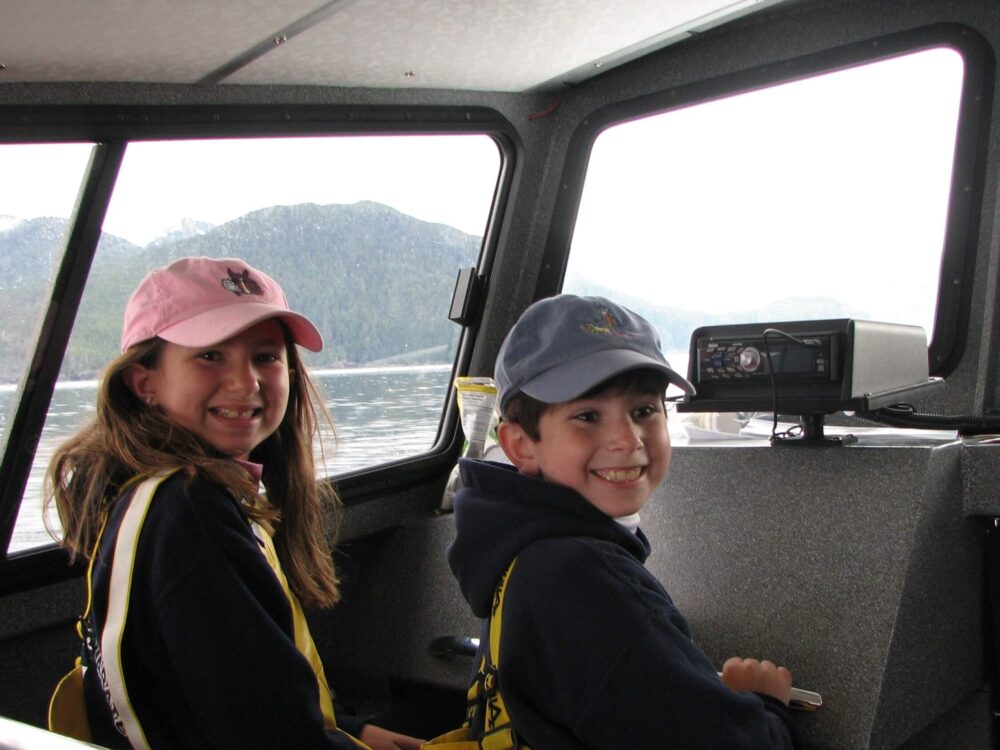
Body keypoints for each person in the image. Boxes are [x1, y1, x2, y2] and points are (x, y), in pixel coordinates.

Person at [46, 256, 423, 750]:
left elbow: (234, 699)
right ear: (146, 383)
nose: (245, 383)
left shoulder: (164, 492)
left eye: (265, 356)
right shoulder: (187, 511)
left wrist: (356, 733)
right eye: (210, 356)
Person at [446, 294, 796, 749]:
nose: (626, 439)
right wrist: (763, 705)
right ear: (521, 445)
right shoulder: (587, 581)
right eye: (587, 416)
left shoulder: (516, 546)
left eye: (644, 411)